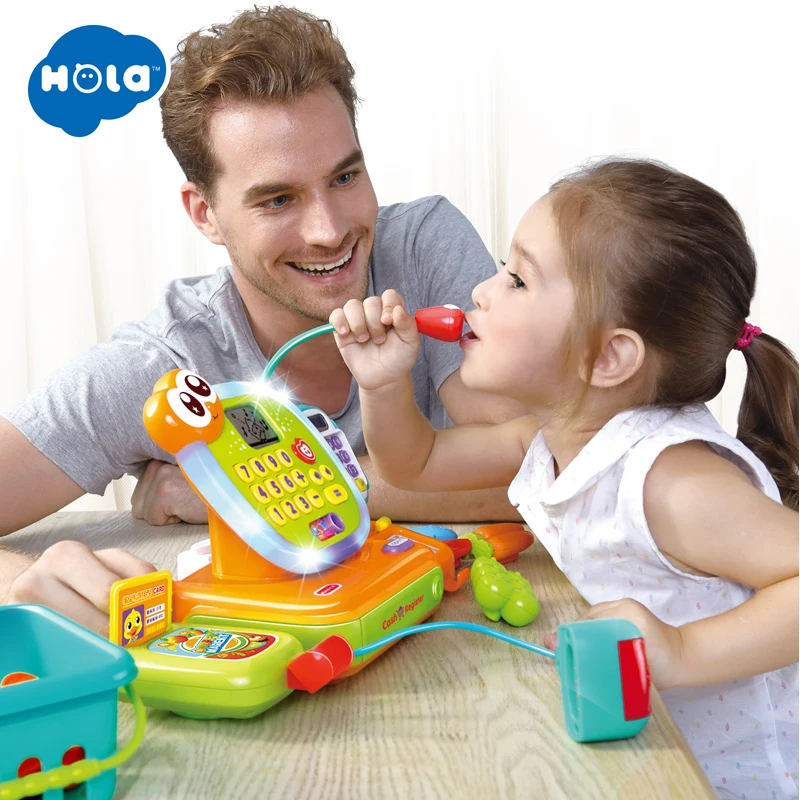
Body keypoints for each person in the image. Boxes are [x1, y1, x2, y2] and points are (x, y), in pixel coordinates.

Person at [0, 7, 524, 632]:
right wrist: (21, 582)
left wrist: (242, 500)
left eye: (345, 176)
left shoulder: (423, 248)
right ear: (205, 214)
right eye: (278, 199)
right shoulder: (164, 364)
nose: (329, 231)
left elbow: (544, 470)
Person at [329, 158, 799, 799]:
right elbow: (414, 464)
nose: (482, 292)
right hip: (658, 759)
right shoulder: (549, 439)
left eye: (518, 280)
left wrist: (681, 650)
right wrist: (383, 385)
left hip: (745, 781)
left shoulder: (669, 481)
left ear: (608, 357)